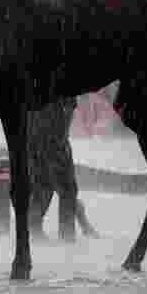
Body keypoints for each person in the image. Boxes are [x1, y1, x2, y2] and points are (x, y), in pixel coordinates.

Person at [27, 97, 99, 242]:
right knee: (66, 190)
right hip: (52, 143)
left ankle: (34, 233)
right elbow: (67, 113)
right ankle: (66, 240)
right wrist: (60, 141)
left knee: (43, 188)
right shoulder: (61, 80)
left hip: (33, 143)